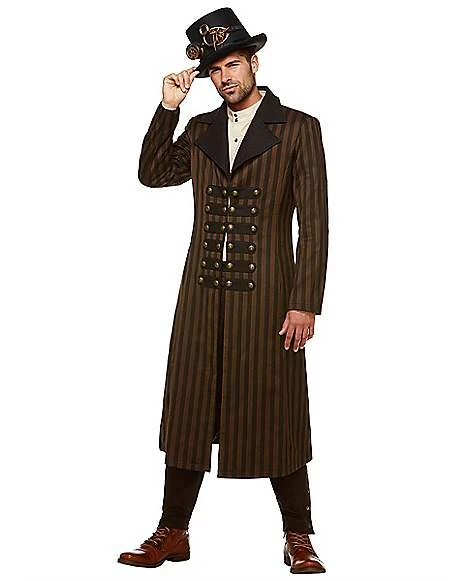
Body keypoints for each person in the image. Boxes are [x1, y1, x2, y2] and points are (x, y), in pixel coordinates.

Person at [118, 7, 328, 574]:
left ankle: (299, 534)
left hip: (269, 294)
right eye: (214, 69)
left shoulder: (298, 128)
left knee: (279, 409)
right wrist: (168, 108)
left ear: (254, 62)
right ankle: (173, 531)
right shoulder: (201, 128)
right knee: (189, 409)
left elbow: (314, 222)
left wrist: (305, 301)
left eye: (232, 64)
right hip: (202, 292)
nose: (224, 77)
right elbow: (152, 173)